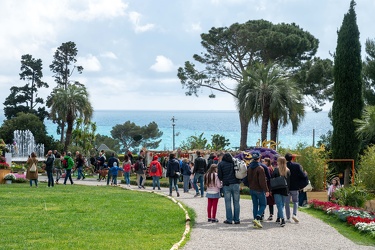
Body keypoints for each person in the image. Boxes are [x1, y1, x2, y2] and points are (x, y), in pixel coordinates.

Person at [247, 151, 269, 229]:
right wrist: (266, 190)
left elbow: (247, 179)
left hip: (252, 189)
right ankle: (257, 218)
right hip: (259, 189)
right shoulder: (260, 168)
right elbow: (262, 181)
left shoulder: (249, 168)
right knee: (263, 204)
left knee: (255, 205)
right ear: (259, 158)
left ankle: (255, 221)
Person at [218, 152, 241, 225]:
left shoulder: (221, 164)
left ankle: (229, 219)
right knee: (236, 202)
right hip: (236, 184)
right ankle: (237, 219)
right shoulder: (234, 162)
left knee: (228, 202)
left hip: (227, 185)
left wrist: (224, 179)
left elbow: (220, 176)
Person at [285, 152, 308, 223]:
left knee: (287, 203)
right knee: (295, 201)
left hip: (286, 187)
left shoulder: (284, 166)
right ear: (292, 158)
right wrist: (305, 174)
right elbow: (302, 175)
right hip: (295, 187)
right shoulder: (297, 165)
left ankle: (288, 218)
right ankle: (294, 214)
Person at [272, 157, 291, 227]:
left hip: (277, 189)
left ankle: (282, 219)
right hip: (285, 189)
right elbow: (289, 182)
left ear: (279, 162)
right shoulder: (288, 170)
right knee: (282, 204)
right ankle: (278, 217)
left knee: (279, 205)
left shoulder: (276, 170)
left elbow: (272, 179)